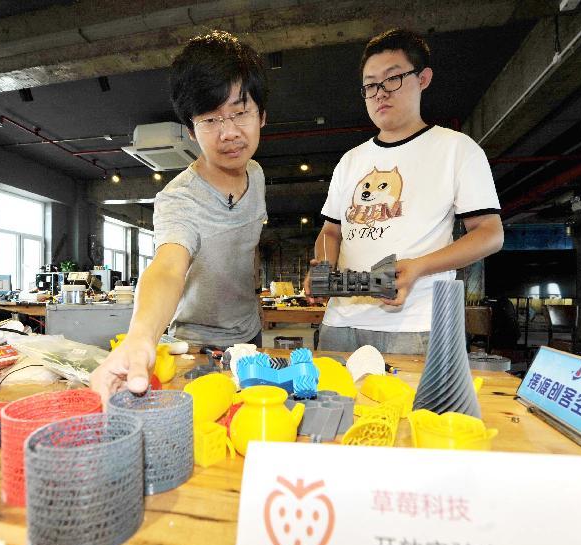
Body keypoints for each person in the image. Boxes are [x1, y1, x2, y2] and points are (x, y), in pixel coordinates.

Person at [90, 30, 268, 402]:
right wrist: (141, 337)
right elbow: (168, 267)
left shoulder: (257, 173)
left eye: (240, 113)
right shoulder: (178, 199)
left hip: (250, 334)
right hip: (195, 344)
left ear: (262, 116)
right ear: (191, 130)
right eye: (211, 120)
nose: (230, 133)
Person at [306, 28, 504, 354]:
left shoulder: (456, 149)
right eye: (371, 85)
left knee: (412, 407)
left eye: (392, 79)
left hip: (415, 325)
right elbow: (330, 232)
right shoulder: (351, 161)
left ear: (423, 79)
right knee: (332, 404)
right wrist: (324, 271)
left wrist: (419, 266)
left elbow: (490, 234)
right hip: (340, 322)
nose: (380, 92)